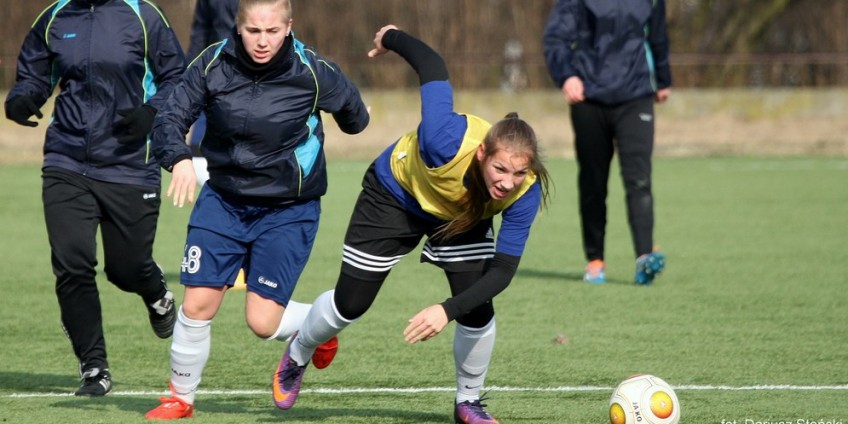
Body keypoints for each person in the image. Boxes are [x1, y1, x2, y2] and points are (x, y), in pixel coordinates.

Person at [274, 25, 551, 424]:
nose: (508, 182)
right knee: (351, 304)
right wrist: (391, 37)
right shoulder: (444, 139)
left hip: (461, 216)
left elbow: (503, 271)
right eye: (500, 169)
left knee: (476, 308)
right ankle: (300, 350)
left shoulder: (526, 190)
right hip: (395, 194)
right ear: (482, 155)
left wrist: (446, 310)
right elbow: (432, 64)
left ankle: (468, 402)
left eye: (519, 173)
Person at [144, 0, 370, 419]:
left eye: (272, 31)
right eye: (253, 31)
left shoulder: (311, 70)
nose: (262, 41)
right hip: (224, 200)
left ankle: (317, 329)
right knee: (197, 304)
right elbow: (169, 117)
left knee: (263, 322)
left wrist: (349, 114)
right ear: (238, 26)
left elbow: (356, 118)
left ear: (289, 27)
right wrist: (178, 158)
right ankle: (180, 398)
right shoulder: (212, 63)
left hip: (288, 208)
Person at [4, 0, 186, 396]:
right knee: (72, 266)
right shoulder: (54, 17)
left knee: (126, 269)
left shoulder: (144, 15)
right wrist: (22, 97)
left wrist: (152, 112)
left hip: (130, 163)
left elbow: (177, 77)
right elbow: (35, 75)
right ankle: (94, 368)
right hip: (66, 160)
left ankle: (156, 293)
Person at [542, 0, 672, 285]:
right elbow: (555, 38)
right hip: (589, 97)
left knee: (639, 179)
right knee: (593, 181)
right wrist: (566, 76)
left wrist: (663, 78)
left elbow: (658, 35)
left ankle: (644, 258)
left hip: (636, 94)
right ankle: (595, 261)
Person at [184, 0, 240, 186]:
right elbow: (201, 31)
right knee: (200, 152)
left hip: (250, 72)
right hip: (217, 71)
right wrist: (189, 72)